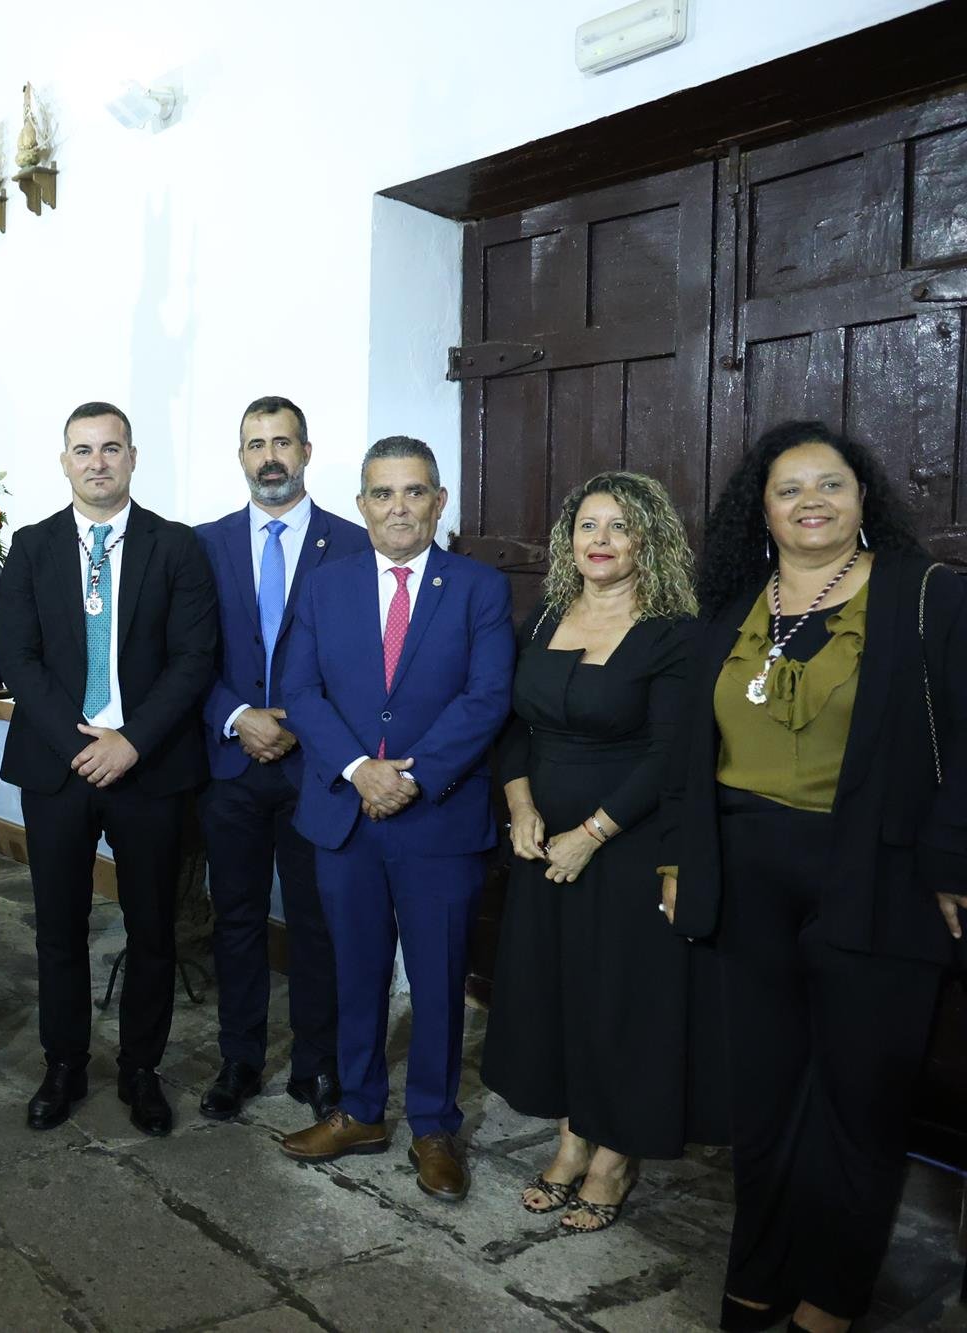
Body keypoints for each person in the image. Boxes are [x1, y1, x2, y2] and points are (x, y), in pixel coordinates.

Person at [659, 421, 966, 1333]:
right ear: (762, 509)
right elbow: (687, 746)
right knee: (762, 1101)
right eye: (790, 489)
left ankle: (828, 1301)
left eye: (830, 484)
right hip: (747, 870)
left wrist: (954, 861)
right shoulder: (732, 603)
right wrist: (682, 854)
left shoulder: (930, 597)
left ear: (863, 495)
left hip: (880, 871)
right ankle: (754, 1280)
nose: (812, 503)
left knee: (858, 1103)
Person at [480, 472, 725, 1233]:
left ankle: (615, 1156)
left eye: (619, 526)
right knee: (557, 995)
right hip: (541, 841)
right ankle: (571, 1135)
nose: (601, 540)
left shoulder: (675, 630)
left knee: (621, 1002)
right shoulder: (549, 612)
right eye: (589, 525)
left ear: (648, 538)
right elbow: (515, 722)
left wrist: (592, 833)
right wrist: (519, 805)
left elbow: (671, 754)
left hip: (625, 842)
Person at [276, 436, 514, 1203]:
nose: (399, 507)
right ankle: (358, 1109)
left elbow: (487, 697)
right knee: (356, 971)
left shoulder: (477, 587)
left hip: (438, 820)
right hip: (348, 813)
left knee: (441, 980)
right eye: (382, 493)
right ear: (362, 505)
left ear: (439, 502)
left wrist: (414, 777)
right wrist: (358, 769)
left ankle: (435, 1125)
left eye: (414, 492)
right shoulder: (324, 585)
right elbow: (300, 690)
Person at [0, 401, 217, 1137]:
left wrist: (131, 740)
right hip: (59, 767)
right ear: (64, 462)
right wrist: (76, 740)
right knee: (59, 928)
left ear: (132, 457)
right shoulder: (30, 547)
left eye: (110, 448)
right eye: (82, 450)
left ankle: (140, 1069)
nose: (97, 462)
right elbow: (17, 658)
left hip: (149, 768)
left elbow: (193, 659)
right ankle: (64, 1063)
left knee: (152, 927)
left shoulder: (175, 546)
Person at [193, 396, 367, 1123]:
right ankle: (239, 1057)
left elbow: (362, 663)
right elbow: (182, 655)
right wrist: (237, 715)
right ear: (240, 456)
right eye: (255, 443)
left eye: (283, 442)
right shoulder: (201, 545)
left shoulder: (352, 544)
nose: (270, 455)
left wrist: (299, 721)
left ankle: (316, 1063)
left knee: (316, 920)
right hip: (231, 765)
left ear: (306, 451)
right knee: (234, 918)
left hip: (316, 768)